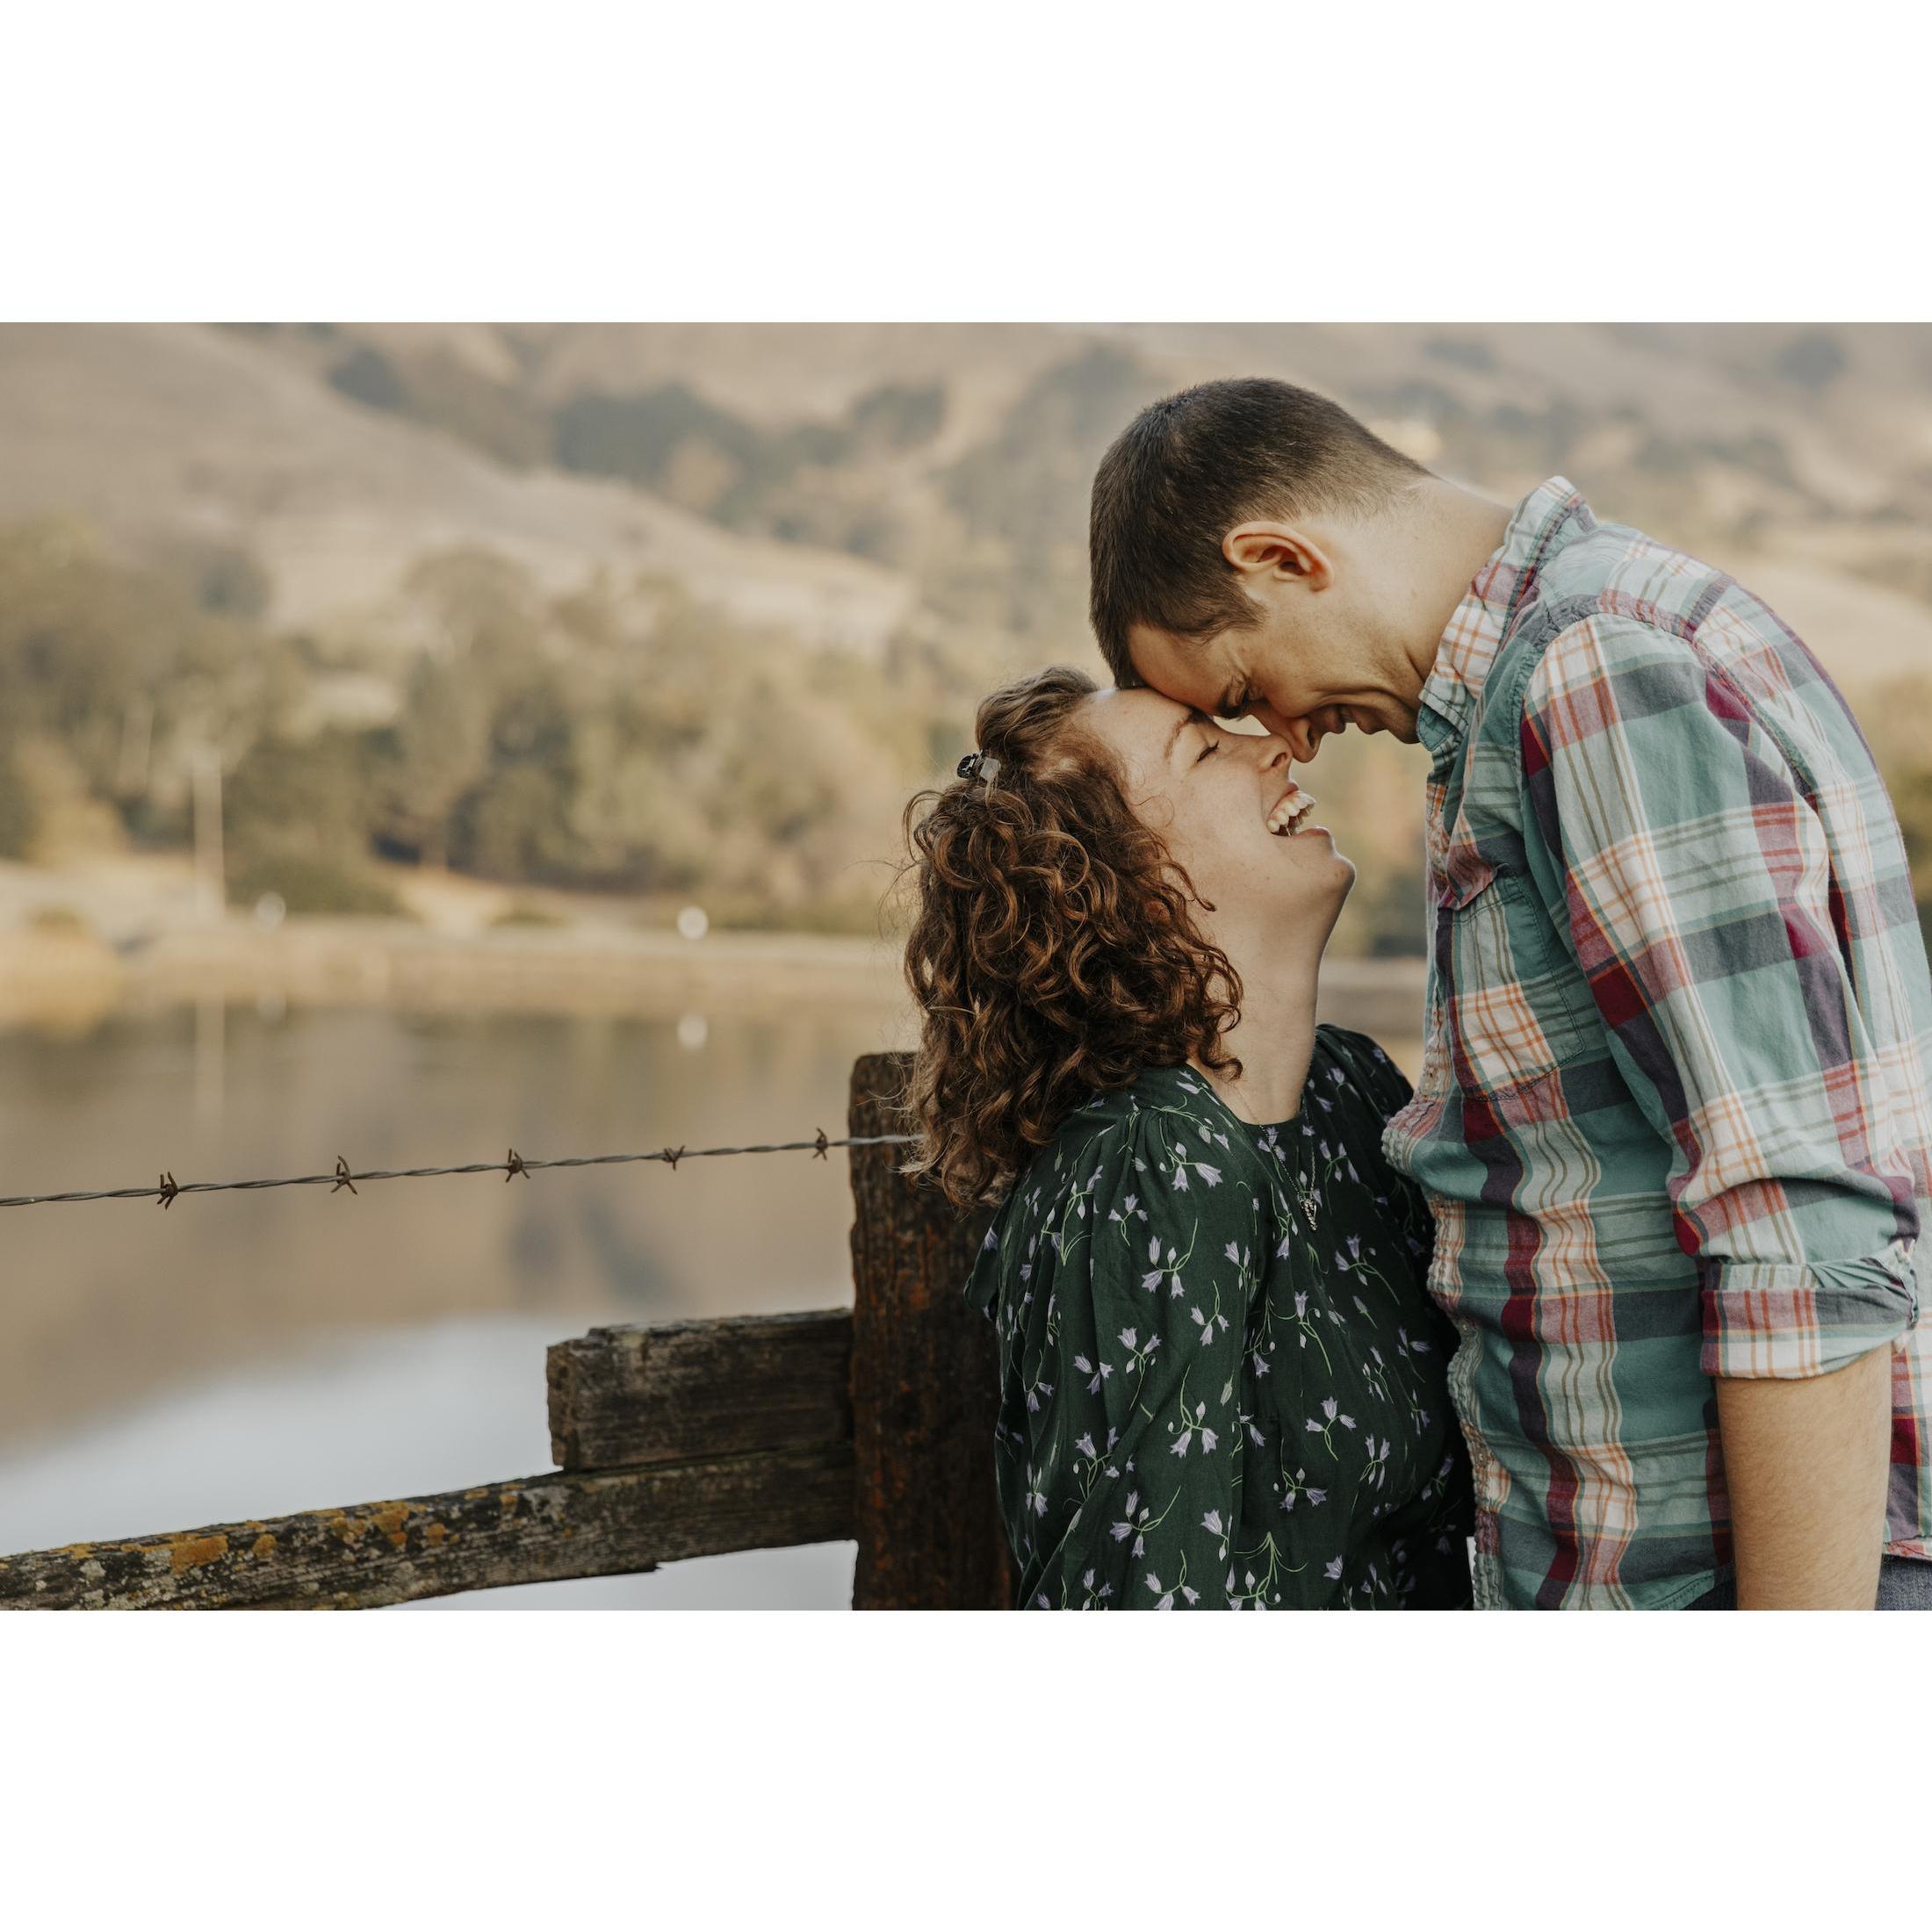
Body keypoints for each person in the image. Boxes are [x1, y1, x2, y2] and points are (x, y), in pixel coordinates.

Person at [1088, 376, 1932, 1610]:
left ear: (1279, 558)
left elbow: (1797, 1233)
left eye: (1242, 688)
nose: (1289, 736)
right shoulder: (1566, 663)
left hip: (1723, 1590)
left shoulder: (1591, 674)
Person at [900, 665, 1472, 1609]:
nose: (1275, 743)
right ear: (1131, 883)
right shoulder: (1147, 1166)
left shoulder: (1351, 1090)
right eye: (1204, 750)